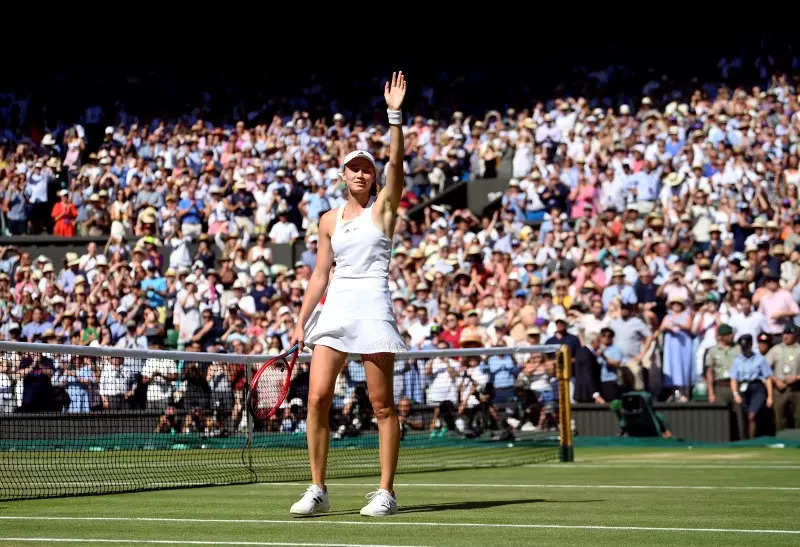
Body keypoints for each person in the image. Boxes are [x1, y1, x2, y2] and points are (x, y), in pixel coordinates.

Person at [288, 72, 408, 517]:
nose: (361, 172)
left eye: (367, 168)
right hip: (335, 308)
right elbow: (320, 274)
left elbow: (397, 164)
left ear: (374, 177)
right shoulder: (327, 220)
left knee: (381, 405)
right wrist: (301, 321)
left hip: (373, 303)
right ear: (342, 176)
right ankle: (317, 488)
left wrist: (394, 116)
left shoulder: (384, 207)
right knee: (318, 395)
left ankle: (386, 492)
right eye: (353, 167)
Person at [730, 334, 774, 439]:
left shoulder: (760, 359)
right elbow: (734, 379)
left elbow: (768, 378)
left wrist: (770, 397)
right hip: (743, 388)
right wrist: (735, 394)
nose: (744, 349)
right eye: (742, 347)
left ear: (751, 345)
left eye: (746, 347)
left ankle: (752, 440)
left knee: (752, 415)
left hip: (757, 387)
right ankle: (744, 439)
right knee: (744, 416)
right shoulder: (738, 360)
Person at [765, 323, 800, 431]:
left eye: (789, 334)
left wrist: (797, 377)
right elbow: (764, 368)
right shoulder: (775, 349)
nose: (785, 336)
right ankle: (781, 442)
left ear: (795, 335)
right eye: (784, 333)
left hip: (796, 388)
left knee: (798, 417)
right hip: (779, 388)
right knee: (780, 417)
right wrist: (775, 380)